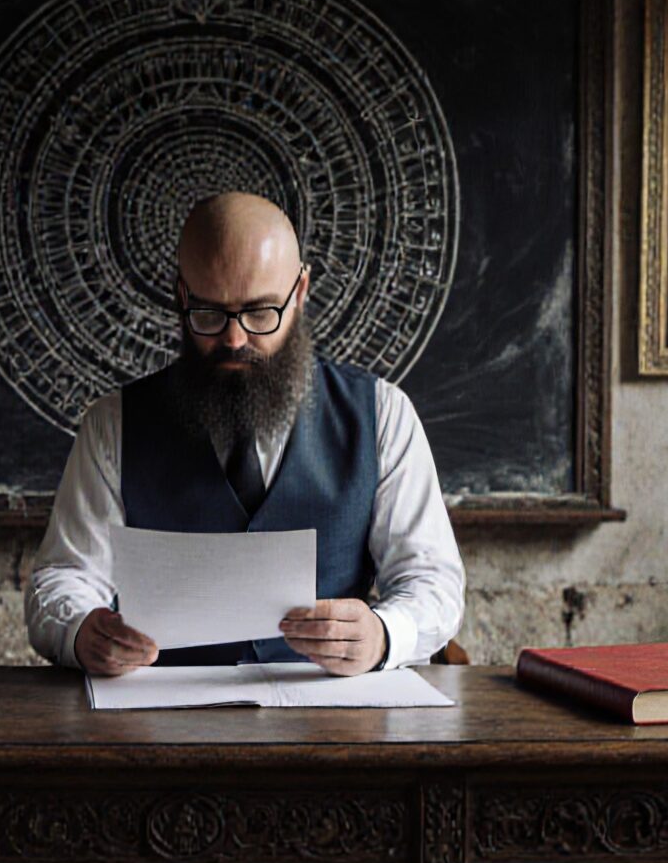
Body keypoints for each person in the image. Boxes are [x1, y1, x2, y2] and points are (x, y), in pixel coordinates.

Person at [26, 193, 465, 676]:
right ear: (181, 296)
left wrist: (384, 634)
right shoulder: (113, 424)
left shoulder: (383, 415)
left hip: (333, 719)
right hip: (159, 721)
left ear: (299, 292)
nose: (234, 340)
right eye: (210, 313)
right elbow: (64, 577)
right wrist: (81, 631)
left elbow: (433, 582)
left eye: (260, 314)